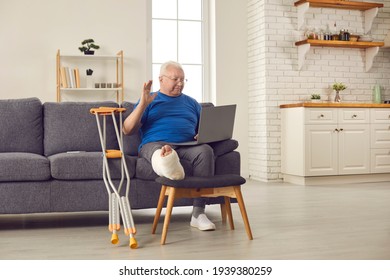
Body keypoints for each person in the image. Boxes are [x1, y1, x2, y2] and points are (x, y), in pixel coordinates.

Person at [123, 61, 216, 231]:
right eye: (175, 79)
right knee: (160, 153)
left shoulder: (192, 103)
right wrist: (143, 104)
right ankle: (167, 160)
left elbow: (203, 130)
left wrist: (201, 135)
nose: (179, 83)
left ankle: (198, 213)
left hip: (187, 145)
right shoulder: (150, 99)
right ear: (161, 79)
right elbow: (127, 129)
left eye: (182, 80)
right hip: (154, 144)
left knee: (205, 151)